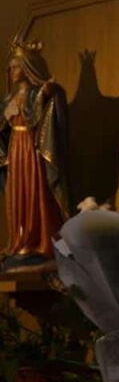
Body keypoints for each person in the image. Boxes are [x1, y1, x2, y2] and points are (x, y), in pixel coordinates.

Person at [0, 39, 70, 268]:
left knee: (33, 193)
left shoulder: (36, 93)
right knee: (16, 195)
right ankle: (19, 241)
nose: (11, 71)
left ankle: (38, 241)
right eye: (10, 67)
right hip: (15, 151)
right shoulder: (8, 99)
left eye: (17, 66)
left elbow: (53, 98)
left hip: (31, 150)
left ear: (29, 67)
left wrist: (52, 90)